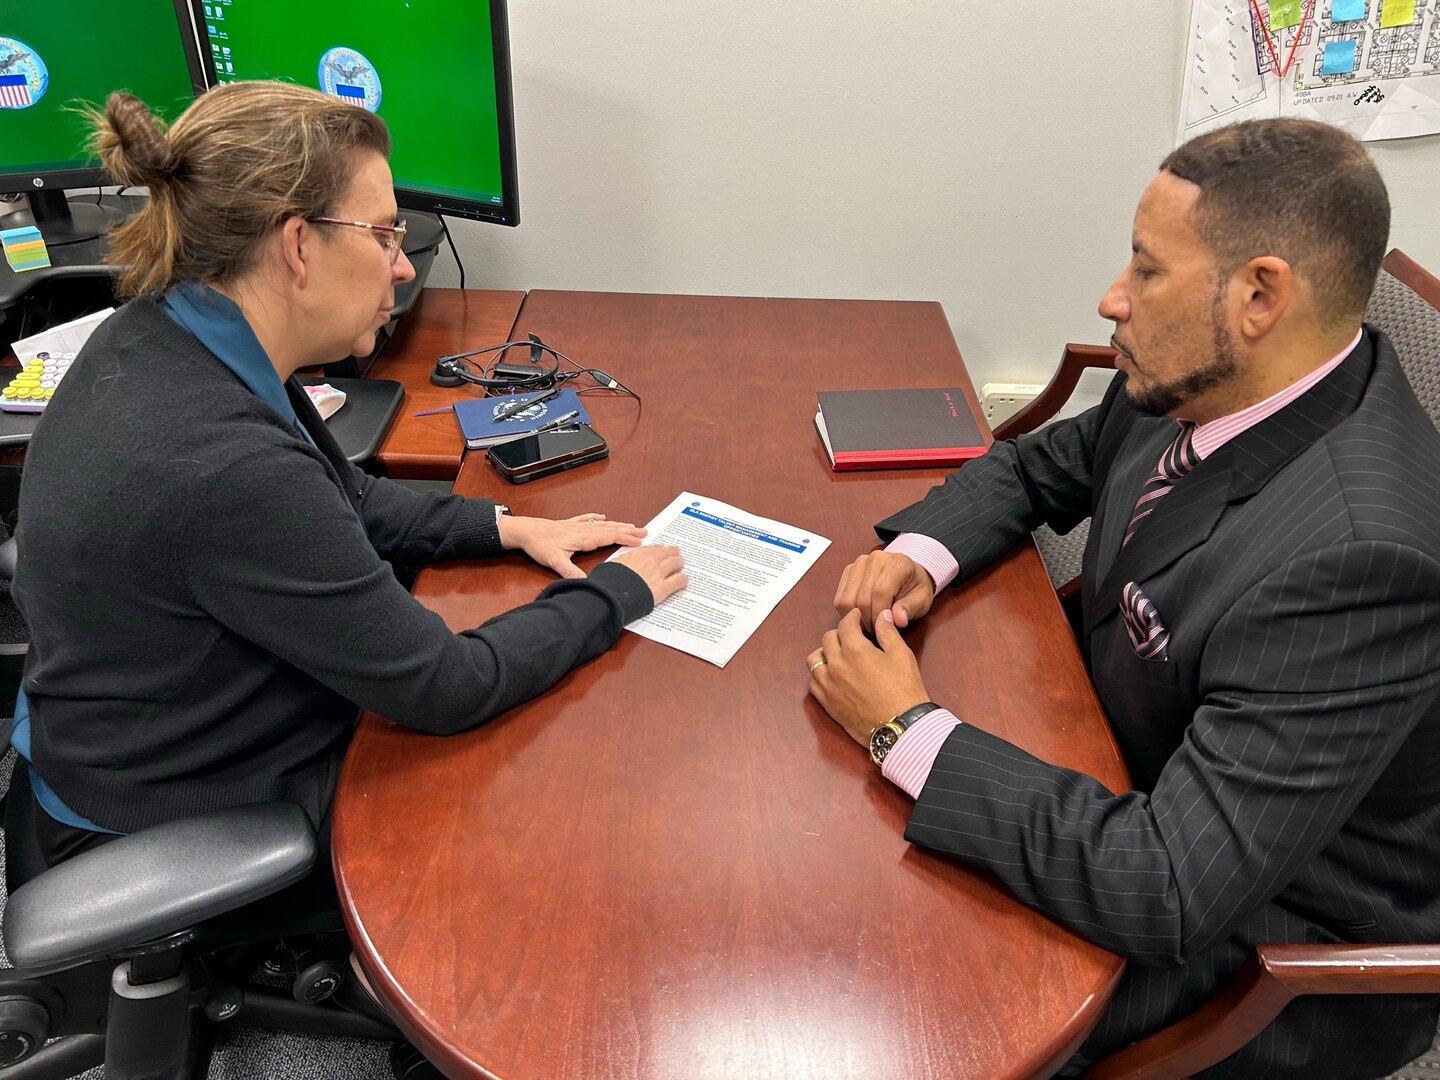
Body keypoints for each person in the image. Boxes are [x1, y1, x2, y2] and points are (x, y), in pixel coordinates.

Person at [808, 118, 1440, 1079]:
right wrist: (925, 556)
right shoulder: (1211, 380)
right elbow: (1037, 465)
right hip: (1126, 762)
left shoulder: (1360, 563)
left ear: (1261, 295)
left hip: (1271, 939)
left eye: (1147, 271)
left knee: (914, 1022)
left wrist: (904, 730)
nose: (1113, 298)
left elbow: (1171, 888)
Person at [6, 82, 687, 921]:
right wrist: (618, 594)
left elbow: (346, 495)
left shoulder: (165, 332)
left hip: (127, 733)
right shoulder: (221, 463)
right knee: (539, 826)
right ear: (298, 246)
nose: (402, 264)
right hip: (164, 814)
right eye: (385, 233)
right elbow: (448, 686)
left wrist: (505, 525)